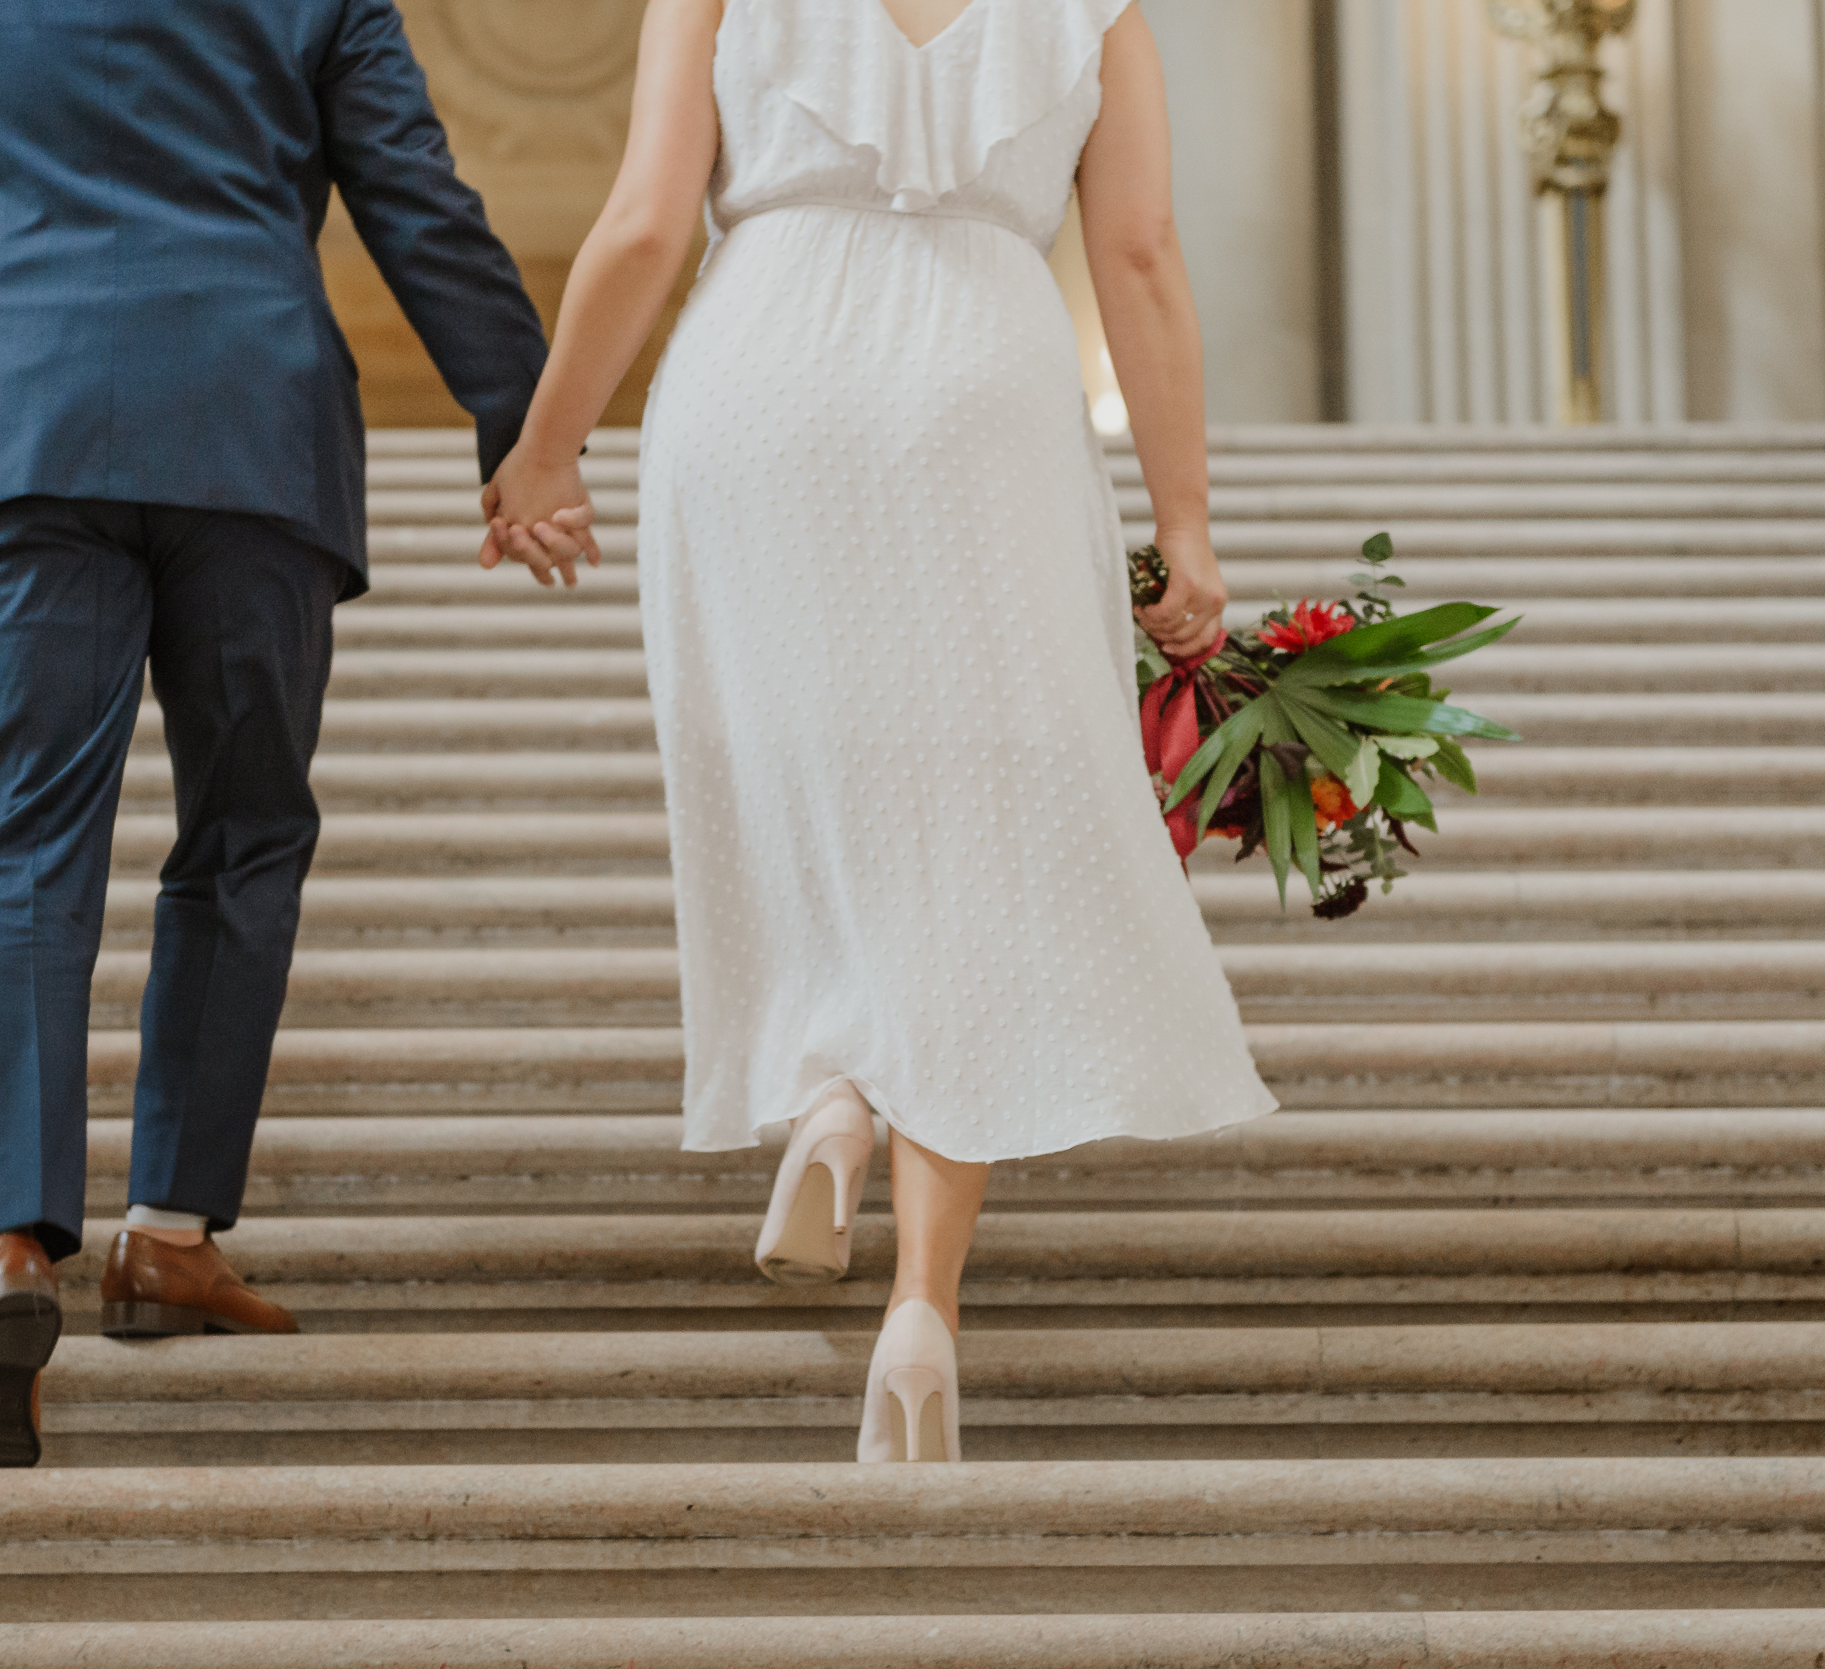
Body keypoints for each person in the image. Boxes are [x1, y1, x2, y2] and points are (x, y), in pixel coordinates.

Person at [481, 0, 1277, 1463]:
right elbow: (1143, 259)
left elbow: (648, 224)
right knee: (968, 843)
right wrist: (1186, 525)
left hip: (759, 384)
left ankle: (835, 1097)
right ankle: (922, 1308)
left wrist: (545, 446)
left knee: (804, 789)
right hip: (984, 386)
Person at [0, 0, 549, 1468]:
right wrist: (523, 430)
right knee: (245, 832)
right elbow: (413, 193)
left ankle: (5, 1248)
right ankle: (170, 1228)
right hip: (247, 424)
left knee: (17, 846)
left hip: (12, 426)